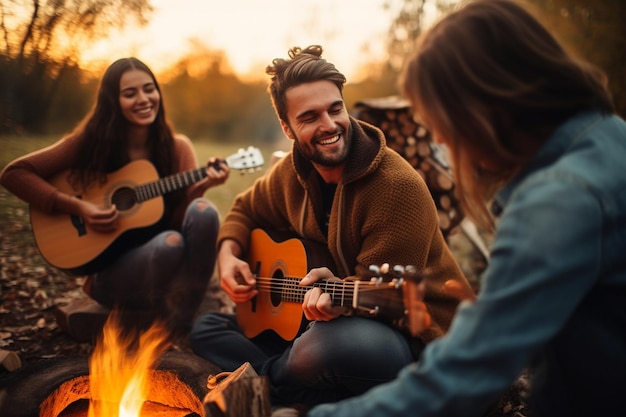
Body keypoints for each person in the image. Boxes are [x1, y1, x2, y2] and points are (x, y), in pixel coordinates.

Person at [305, 1, 626, 416]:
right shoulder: (610, 137)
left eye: (439, 120)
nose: (438, 137)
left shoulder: (558, 201)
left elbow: (466, 372)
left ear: (481, 106)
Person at [190, 45, 473, 412]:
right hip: (312, 322)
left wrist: (340, 298)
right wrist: (228, 255)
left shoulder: (396, 187)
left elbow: (389, 297)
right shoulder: (292, 173)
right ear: (287, 128)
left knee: (329, 345)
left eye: (335, 109)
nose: (329, 125)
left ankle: (264, 389)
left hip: (412, 340)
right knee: (207, 327)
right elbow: (244, 209)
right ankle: (302, 387)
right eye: (309, 117)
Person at [0, 57, 230, 340]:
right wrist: (78, 207)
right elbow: (15, 173)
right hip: (114, 277)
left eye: (149, 89)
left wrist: (202, 186)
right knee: (170, 244)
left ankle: (185, 317)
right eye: (129, 93)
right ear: (112, 100)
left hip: (166, 271)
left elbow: (183, 221)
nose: (143, 99)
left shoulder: (177, 147)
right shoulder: (89, 143)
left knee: (204, 211)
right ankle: (160, 315)